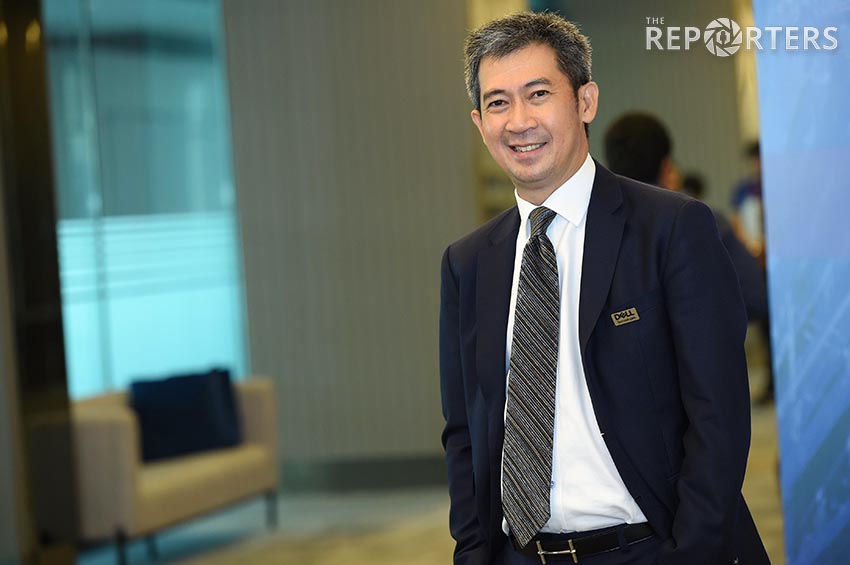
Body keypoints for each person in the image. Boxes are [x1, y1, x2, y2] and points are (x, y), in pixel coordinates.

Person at [439, 12, 768, 565]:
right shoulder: (468, 263)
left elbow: (720, 413)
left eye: (538, 94)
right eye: (497, 103)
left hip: (648, 548)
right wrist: (473, 552)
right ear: (479, 121)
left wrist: (690, 551)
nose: (518, 121)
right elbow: (463, 433)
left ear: (585, 101)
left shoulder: (671, 229)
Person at [603, 112, 769, 323]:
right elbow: (754, 296)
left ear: (607, 166)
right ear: (667, 167)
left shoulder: (594, 231)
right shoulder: (701, 219)